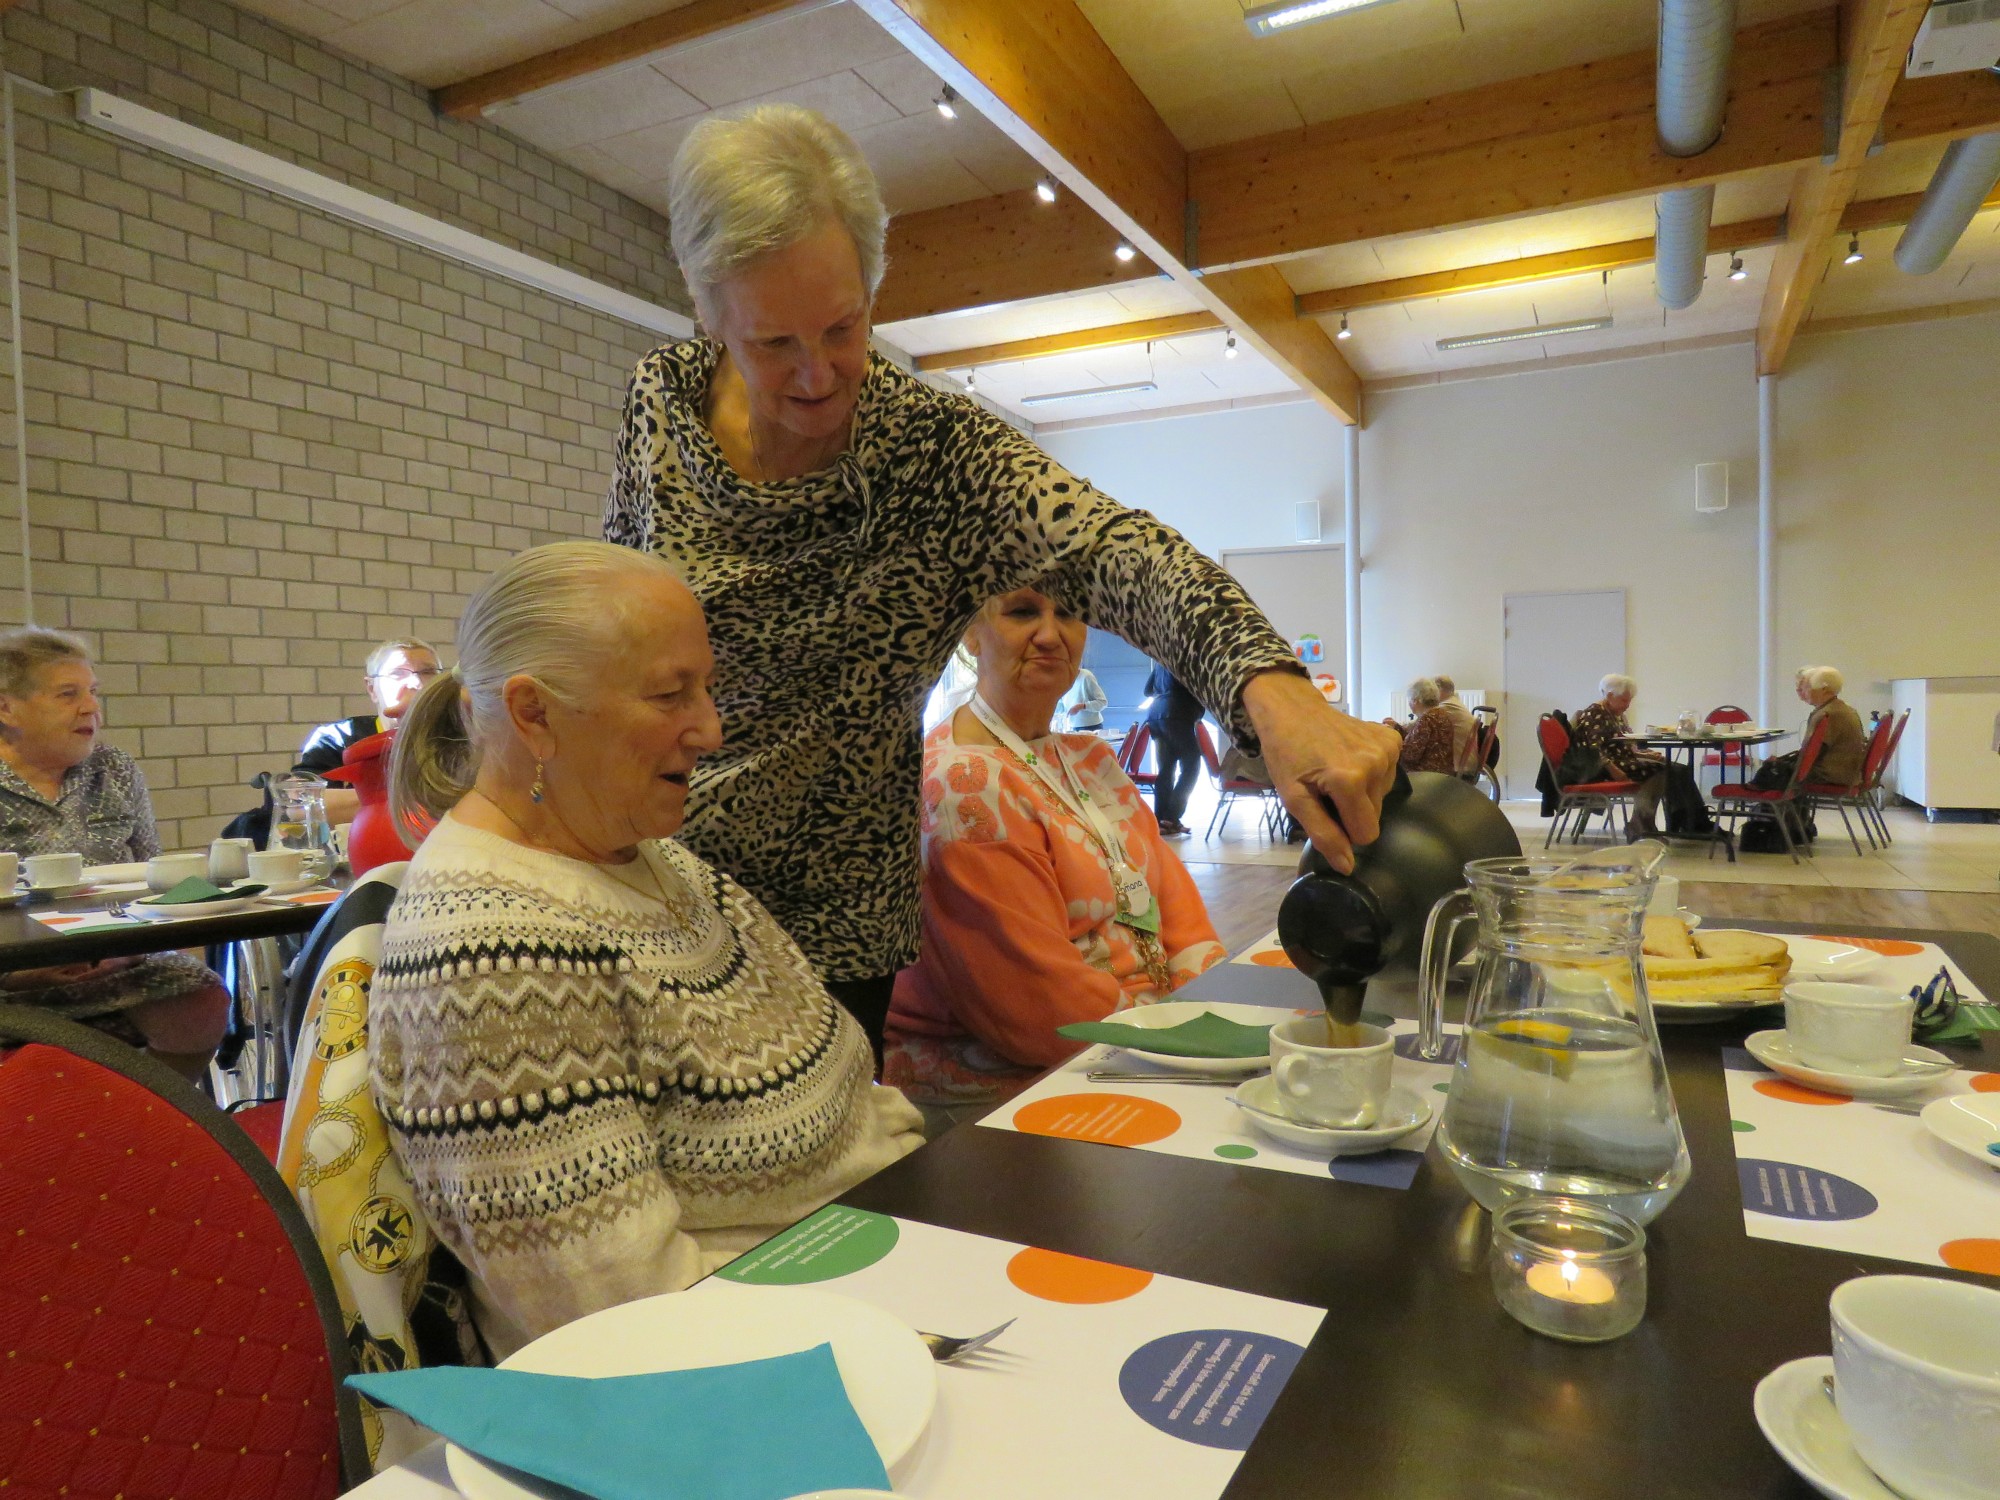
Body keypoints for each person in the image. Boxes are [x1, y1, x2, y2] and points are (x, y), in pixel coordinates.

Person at [602, 104, 1400, 1057]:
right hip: (653, 889)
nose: (818, 375)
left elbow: (1115, 549)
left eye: (844, 327)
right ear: (706, 308)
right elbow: (619, 614)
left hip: (833, 933)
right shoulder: (661, 401)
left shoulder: (934, 456)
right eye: (774, 344)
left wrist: (1270, 685)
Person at [372, 542, 922, 1359]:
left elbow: (855, 1088)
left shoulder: (651, 858)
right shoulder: (489, 953)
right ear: (534, 716)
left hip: (880, 1268)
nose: (711, 727)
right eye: (671, 695)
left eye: (704, 687)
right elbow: (628, 1319)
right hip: (756, 1371)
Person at [884, 585, 1226, 1120]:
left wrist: (1203, 1008)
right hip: (1015, 1089)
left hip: (1144, 1035)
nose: (1051, 634)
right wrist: (1181, 1037)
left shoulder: (1086, 756)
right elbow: (1037, 1010)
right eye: (1023, 612)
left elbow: (1175, 900)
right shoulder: (962, 785)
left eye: (1068, 613)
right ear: (969, 634)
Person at [0, 628, 230, 1078]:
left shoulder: (114, 768)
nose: (91, 708)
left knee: (200, 993)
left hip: (118, 963)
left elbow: (159, 877)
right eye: (68, 694)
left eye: (92, 693)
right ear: (7, 707)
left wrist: (132, 946)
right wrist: (17, 971)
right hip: (11, 979)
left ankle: (150, 1128)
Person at [296, 638, 442, 826]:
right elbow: (300, 807)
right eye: (397, 673)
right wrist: (420, 796)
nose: (416, 683)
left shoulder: (459, 736)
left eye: (428, 672)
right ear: (372, 688)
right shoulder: (337, 739)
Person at [1144, 660, 1205, 837]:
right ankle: (1171, 816)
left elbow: (1147, 690)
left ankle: (1162, 820)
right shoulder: (1186, 661)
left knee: (1166, 769)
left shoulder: (1160, 661)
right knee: (1191, 766)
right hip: (1178, 713)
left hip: (1155, 715)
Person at [1796, 666, 1866, 788]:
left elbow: (1811, 754)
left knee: (1772, 773)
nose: (1803, 693)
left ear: (1823, 689)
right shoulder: (1842, 709)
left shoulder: (1826, 714)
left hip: (1831, 774)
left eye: (1807, 687)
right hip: (1847, 772)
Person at [1385, 677, 1459, 774]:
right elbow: (1417, 739)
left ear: (1416, 701)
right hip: (1441, 772)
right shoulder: (1440, 713)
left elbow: (1409, 755)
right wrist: (1397, 728)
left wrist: (1389, 744)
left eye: (1410, 700)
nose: (1409, 703)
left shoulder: (1427, 719)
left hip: (1427, 775)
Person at [1432, 674, 1477, 771]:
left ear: (1438, 690)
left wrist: (1399, 725)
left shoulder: (1447, 706)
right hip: (1466, 764)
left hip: (1460, 768)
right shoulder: (1454, 703)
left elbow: (1423, 721)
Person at [1058, 665, 1107, 732]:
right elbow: (1061, 707)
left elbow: (1102, 702)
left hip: (1091, 727)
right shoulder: (1062, 680)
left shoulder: (1086, 676)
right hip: (1072, 726)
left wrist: (1082, 706)